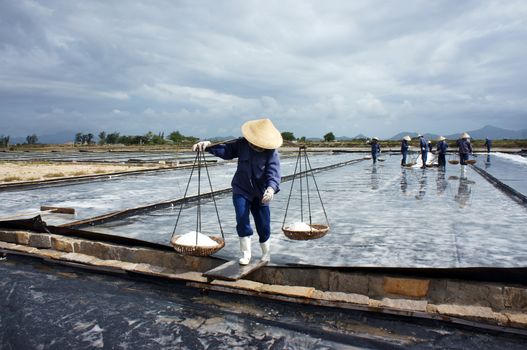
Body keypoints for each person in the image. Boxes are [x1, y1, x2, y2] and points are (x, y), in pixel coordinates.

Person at [192, 118, 282, 265]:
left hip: (262, 193)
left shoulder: (271, 152)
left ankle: (266, 252)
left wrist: (271, 188)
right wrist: (208, 146)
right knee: (242, 219)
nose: (258, 147)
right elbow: (226, 151)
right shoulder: (242, 144)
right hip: (242, 189)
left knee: (263, 224)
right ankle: (246, 254)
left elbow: (274, 172)